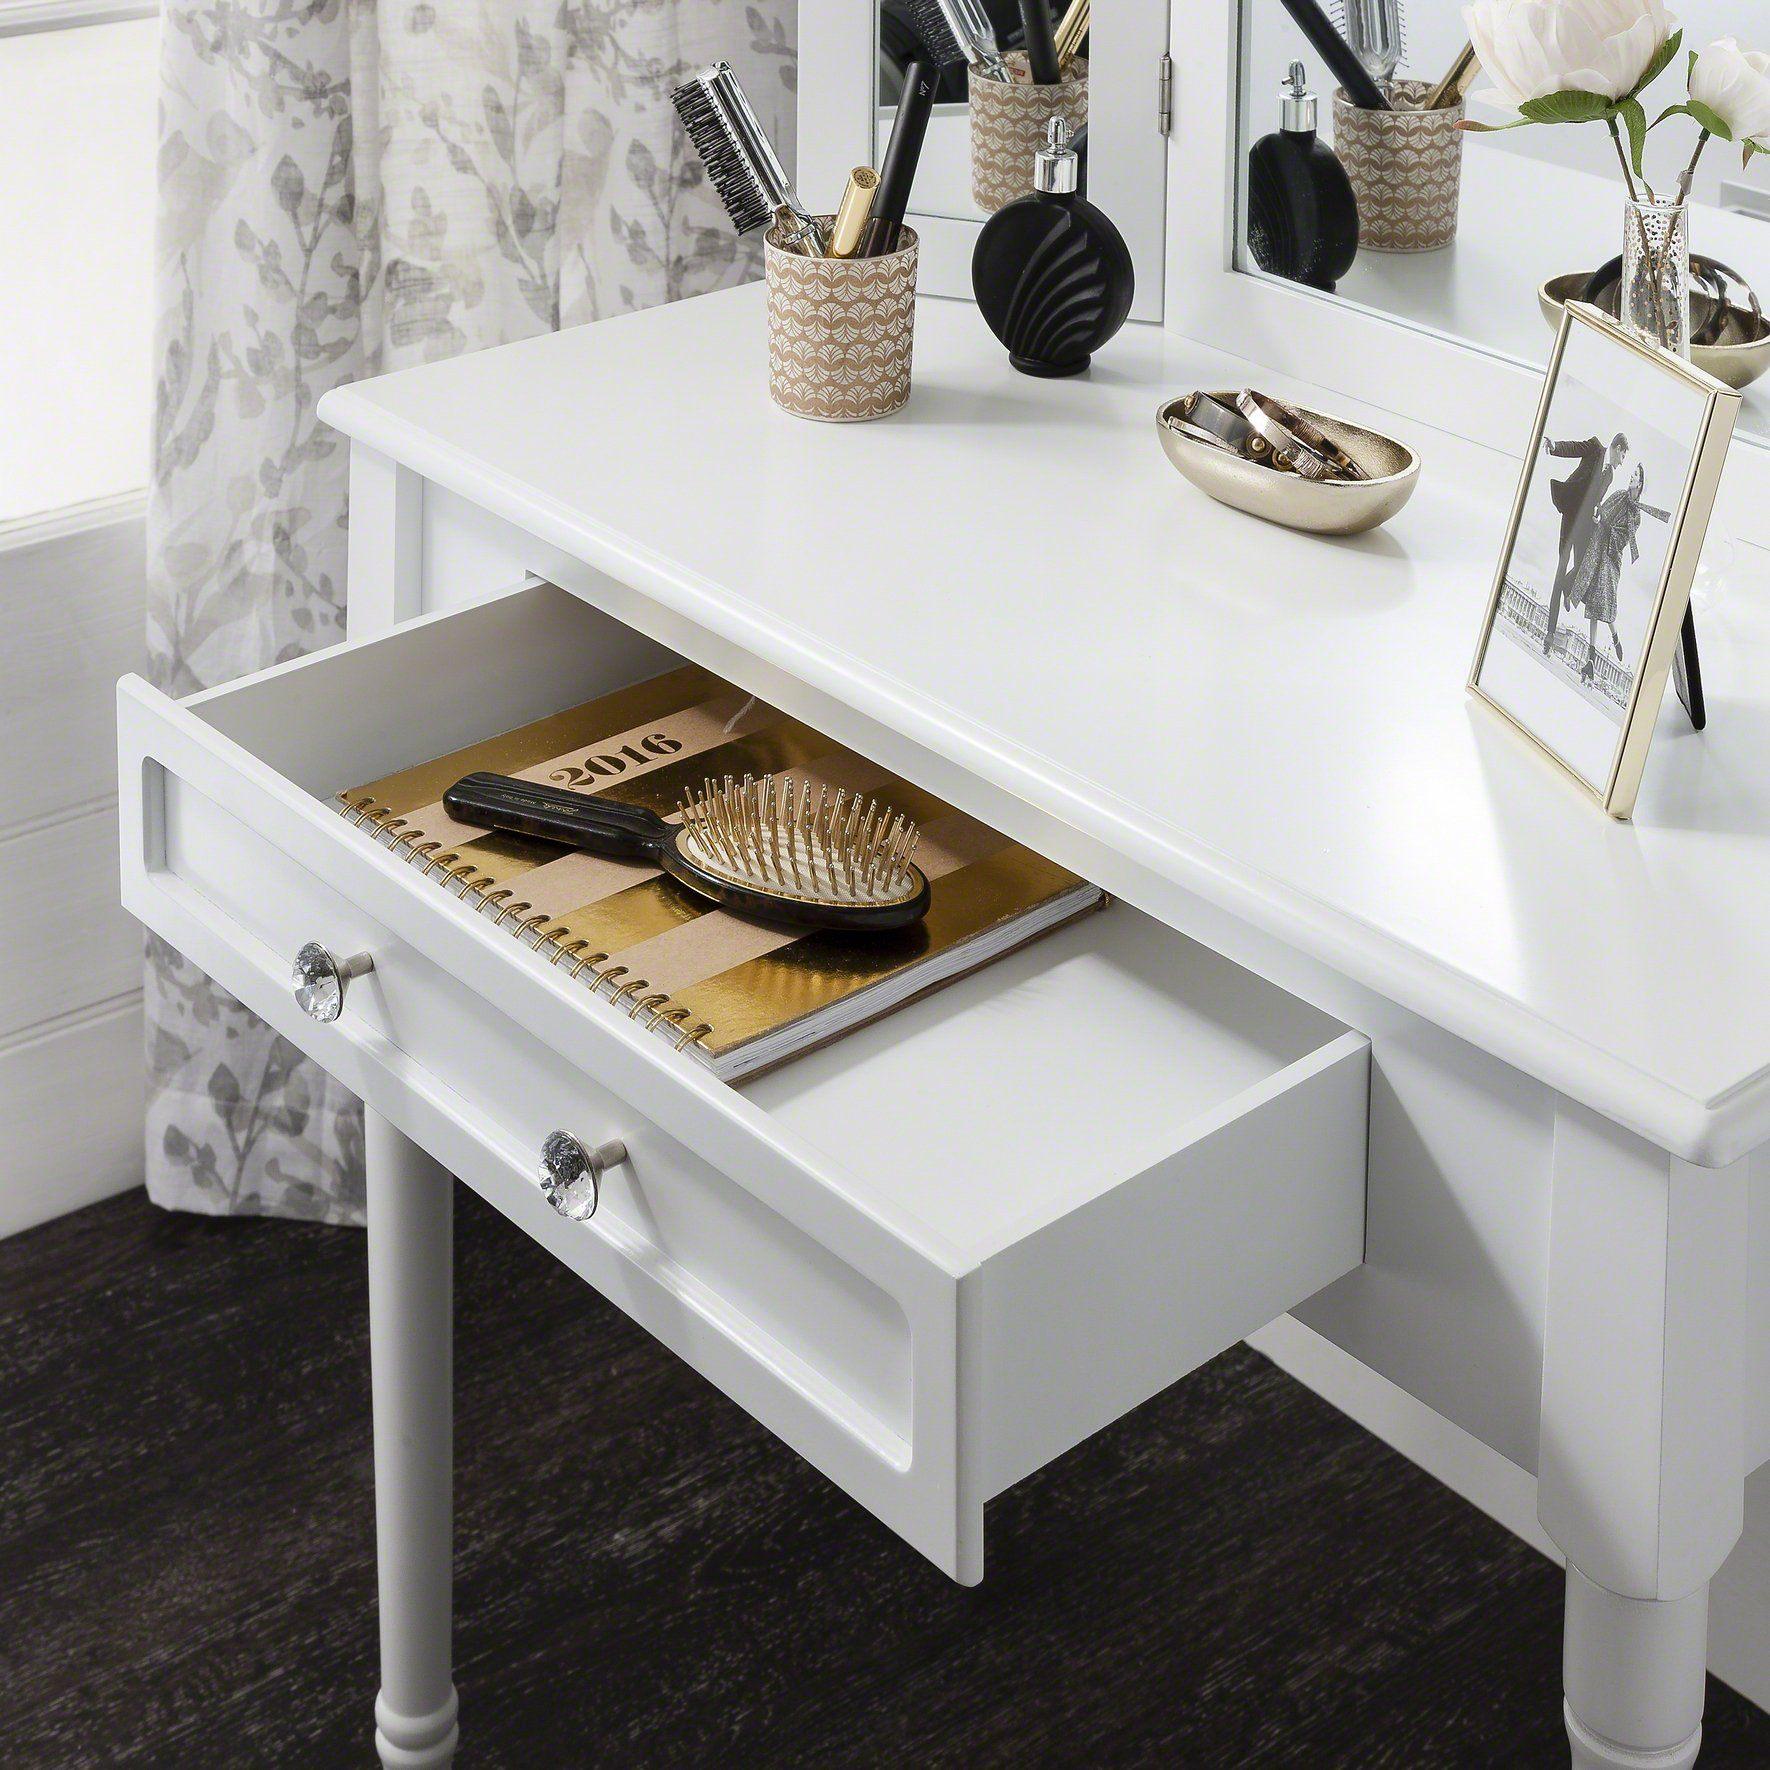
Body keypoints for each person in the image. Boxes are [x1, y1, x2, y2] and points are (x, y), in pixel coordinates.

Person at [1566, 462, 1669, 685]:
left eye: (1634, 475)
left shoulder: (1637, 516)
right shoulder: (1619, 494)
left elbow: (1622, 540)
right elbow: (1602, 511)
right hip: (1598, 549)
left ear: (1639, 484)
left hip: (1612, 559)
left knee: (1605, 603)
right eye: (1632, 473)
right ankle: (1591, 658)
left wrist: (1603, 524)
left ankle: (1614, 636)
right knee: (1593, 605)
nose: (1630, 476)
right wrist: (1597, 518)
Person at [1540, 431, 1627, 654]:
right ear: (1617, 449)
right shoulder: (1595, 448)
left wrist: (1598, 511)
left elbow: (1596, 500)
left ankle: (1568, 589)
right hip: (1570, 518)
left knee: (1581, 568)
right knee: (1560, 571)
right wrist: (1554, 446)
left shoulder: (1610, 477)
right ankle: (1550, 634)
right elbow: (1574, 447)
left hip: (1585, 527)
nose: (1621, 463)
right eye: (1622, 457)